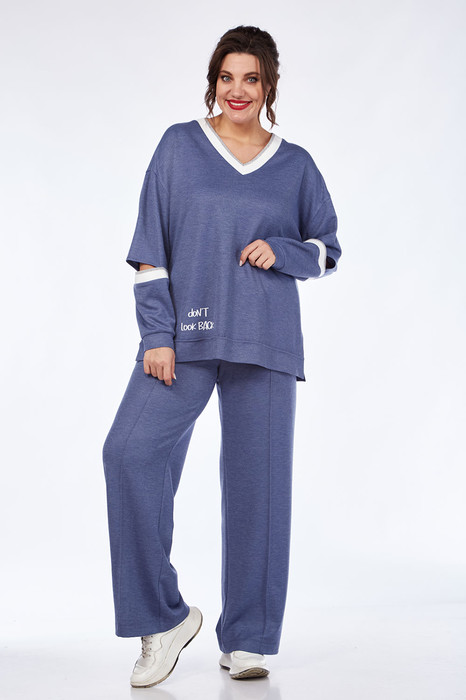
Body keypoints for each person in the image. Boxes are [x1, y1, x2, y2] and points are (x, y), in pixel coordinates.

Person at [102, 24, 342, 688]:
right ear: (214, 82)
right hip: (185, 337)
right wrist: (157, 335)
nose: (238, 90)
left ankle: (249, 638)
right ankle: (163, 619)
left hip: (265, 340)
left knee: (258, 489)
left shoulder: (295, 165)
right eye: (227, 77)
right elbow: (150, 246)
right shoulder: (179, 146)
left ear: (268, 87)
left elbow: (327, 249)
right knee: (128, 452)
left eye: (252, 79)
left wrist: (284, 250)